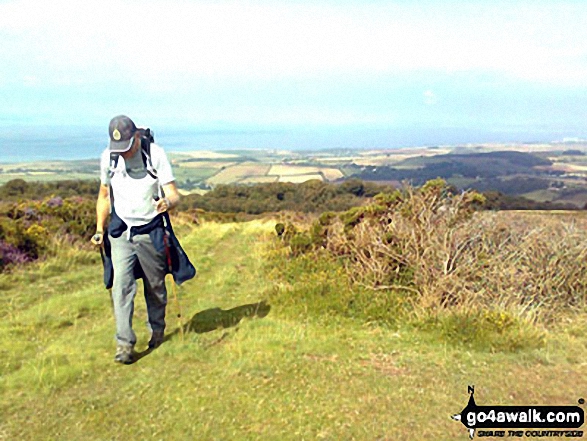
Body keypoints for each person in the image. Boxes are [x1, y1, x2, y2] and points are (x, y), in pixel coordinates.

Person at [92, 115, 182, 364]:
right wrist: (100, 228)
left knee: (155, 286)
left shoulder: (155, 154)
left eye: (126, 147)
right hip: (121, 232)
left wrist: (167, 203)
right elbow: (104, 195)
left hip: (150, 230)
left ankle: (157, 329)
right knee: (121, 286)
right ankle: (124, 345)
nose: (122, 153)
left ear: (136, 138)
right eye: (117, 149)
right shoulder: (108, 157)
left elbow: (174, 193)